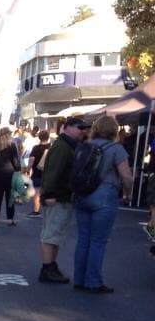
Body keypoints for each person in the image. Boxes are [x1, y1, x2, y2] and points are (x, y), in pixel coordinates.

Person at [72, 115, 132, 293]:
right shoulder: (116, 149)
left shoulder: (84, 147)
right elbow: (126, 176)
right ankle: (93, 281)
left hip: (83, 195)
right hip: (104, 196)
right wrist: (127, 193)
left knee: (83, 239)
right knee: (98, 241)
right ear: (114, 130)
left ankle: (79, 279)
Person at [38, 116, 91, 283]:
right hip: (58, 197)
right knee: (52, 234)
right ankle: (47, 268)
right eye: (79, 128)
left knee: (55, 234)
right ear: (67, 127)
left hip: (61, 196)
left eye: (84, 128)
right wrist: (49, 194)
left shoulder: (67, 145)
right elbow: (53, 172)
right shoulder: (62, 147)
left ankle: (50, 266)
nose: (83, 131)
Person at [0, 127, 20, 225]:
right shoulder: (12, 146)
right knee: (9, 198)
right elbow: (15, 161)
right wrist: (18, 170)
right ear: (7, 135)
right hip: (9, 174)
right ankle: (10, 219)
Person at [25, 129, 50, 218]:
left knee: (37, 193)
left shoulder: (36, 148)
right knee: (48, 192)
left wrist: (28, 169)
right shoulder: (51, 147)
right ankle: (48, 211)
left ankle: (36, 211)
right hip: (49, 173)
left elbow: (31, 159)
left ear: (39, 138)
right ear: (48, 137)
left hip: (37, 173)